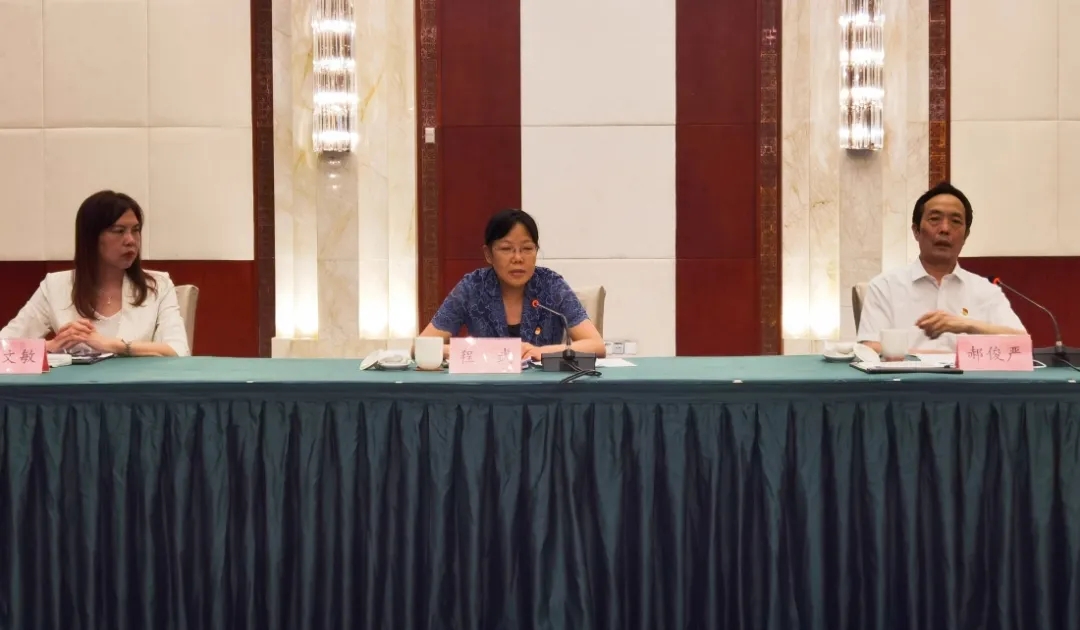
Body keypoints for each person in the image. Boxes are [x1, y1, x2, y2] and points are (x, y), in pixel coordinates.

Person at [0, 190, 191, 357]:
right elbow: (3, 348)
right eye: (119, 231)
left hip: (136, 387)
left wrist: (113, 346)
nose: (131, 240)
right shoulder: (56, 286)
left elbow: (179, 351)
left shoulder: (158, 285)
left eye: (136, 230)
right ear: (91, 238)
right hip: (74, 388)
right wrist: (50, 346)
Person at [856, 181, 1025, 354]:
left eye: (955, 221)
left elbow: (1021, 344)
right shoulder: (885, 287)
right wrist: (944, 359)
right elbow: (870, 348)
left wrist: (967, 325)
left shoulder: (985, 291)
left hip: (970, 373)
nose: (945, 229)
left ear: (965, 236)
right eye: (935, 219)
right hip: (907, 373)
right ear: (916, 231)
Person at [418, 208, 606, 361]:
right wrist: (476, 351)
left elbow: (596, 345)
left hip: (545, 390)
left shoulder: (551, 285)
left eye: (527, 248)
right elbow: (421, 346)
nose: (518, 258)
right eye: (506, 249)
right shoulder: (472, 287)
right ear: (488, 254)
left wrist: (542, 352)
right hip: (487, 389)